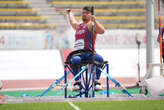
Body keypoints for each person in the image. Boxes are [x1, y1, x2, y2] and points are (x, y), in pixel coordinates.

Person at [66, 6, 105, 91]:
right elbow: (72, 22)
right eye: (83, 13)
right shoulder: (79, 26)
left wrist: (95, 21)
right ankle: (78, 83)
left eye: (86, 13)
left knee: (99, 58)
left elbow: (102, 31)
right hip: (78, 54)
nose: (84, 14)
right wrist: (69, 13)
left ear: (91, 15)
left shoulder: (91, 24)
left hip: (89, 53)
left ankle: (96, 82)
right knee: (75, 60)